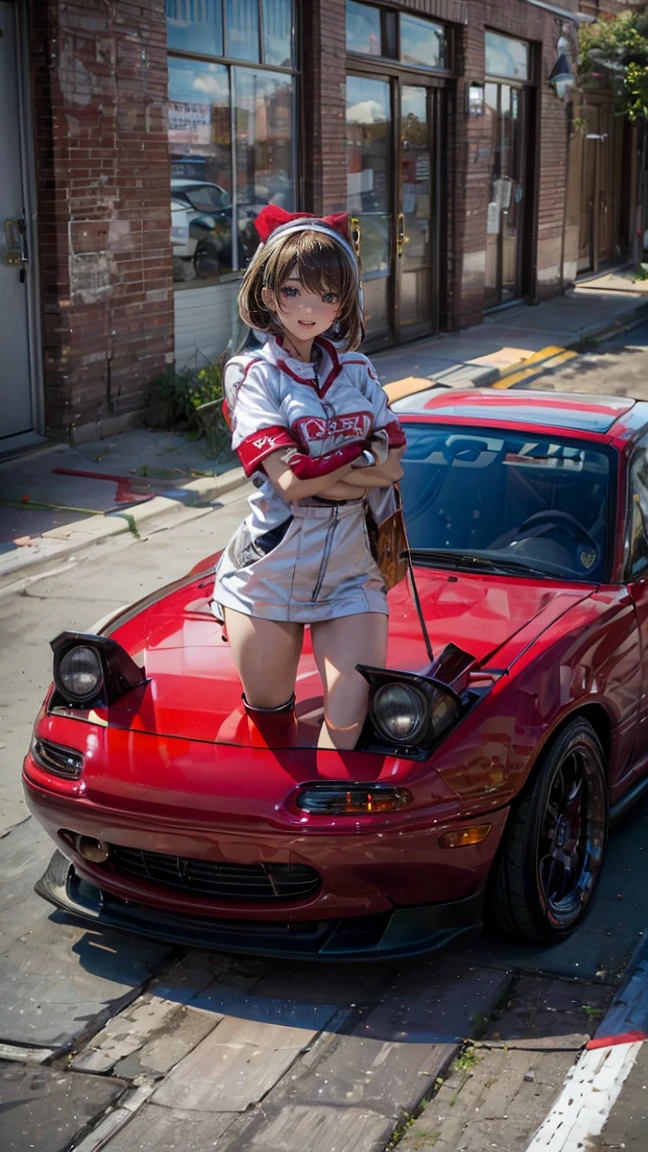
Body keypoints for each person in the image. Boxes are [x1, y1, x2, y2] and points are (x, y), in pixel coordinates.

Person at [212, 204, 407, 750]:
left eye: (327, 295)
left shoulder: (360, 373)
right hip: (270, 572)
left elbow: (395, 468)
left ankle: (328, 834)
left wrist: (334, 473)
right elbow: (290, 485)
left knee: (346, 732)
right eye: (294, 291)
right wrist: (362, 466)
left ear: (344, 302)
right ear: (269, 293)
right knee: (271, 729)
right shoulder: (252, 375)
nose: (309, 308)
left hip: (353, 571)